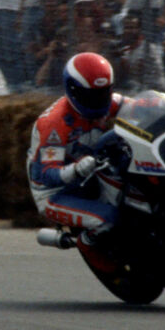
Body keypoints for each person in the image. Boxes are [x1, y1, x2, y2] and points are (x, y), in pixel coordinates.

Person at [27, 52, 128, 246]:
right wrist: (76, 169)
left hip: (93, 174)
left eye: (102, 94)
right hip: (57, 193)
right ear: (73, 90)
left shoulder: (110, 102)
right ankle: (90, 247)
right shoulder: (54, 123)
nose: (98, 101)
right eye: (90, 96)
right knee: (108, 219)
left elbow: (139, 106)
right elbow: (46, 174)